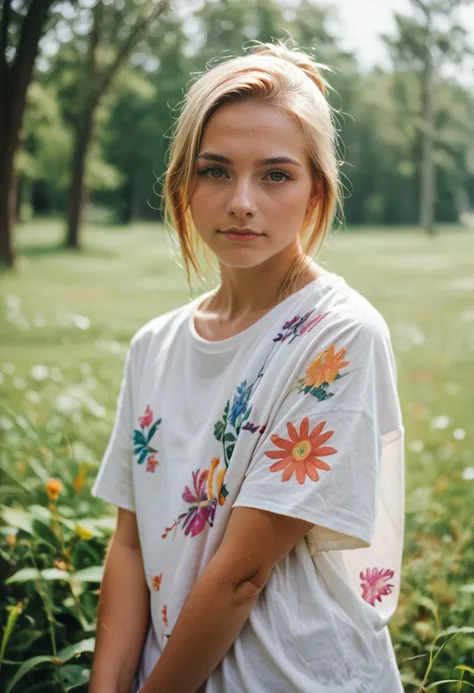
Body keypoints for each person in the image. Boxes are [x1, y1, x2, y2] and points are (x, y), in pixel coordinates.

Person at [89, 41, 405, 693]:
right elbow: (129, 544)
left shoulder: (339, 335)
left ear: (317, 189)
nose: (240, 200)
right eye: (215, 171)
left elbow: (242, 576)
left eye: (275, 174)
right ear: (184, 181)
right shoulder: (155, 344)